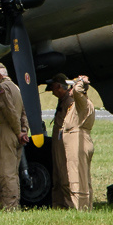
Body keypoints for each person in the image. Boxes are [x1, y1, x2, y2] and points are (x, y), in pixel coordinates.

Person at [0, 62, 28, 212]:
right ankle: (14, 205)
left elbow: (10, 111)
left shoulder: (2, 87)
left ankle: (10, 207)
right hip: (15, 133)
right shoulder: (15, 87)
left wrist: (18, 132)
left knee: (5, 173)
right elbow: (23, 111)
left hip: (6, 132)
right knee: (13, 173)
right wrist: (24, 131)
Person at [63, 74, 96, 209]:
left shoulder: (82, 102)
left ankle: (80, 207)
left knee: (77, 177)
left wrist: (80, 81)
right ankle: (86, 206)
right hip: (80, 140)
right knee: (83, 177)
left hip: (78, 141)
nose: (69, 90)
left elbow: (77, 91)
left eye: (70, 87)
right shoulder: (80, 104)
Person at [46, 75, 74, 209]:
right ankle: (58, 204)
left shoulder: (70, 101)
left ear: (59, 86)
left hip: (64, 143)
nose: (51, 90)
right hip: (58, 143)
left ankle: (69, 204)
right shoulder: (62, 100)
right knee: (57, 174)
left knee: (64, 174)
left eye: (53, 86)